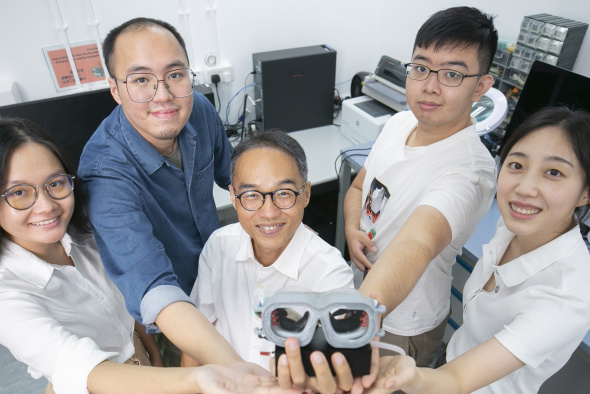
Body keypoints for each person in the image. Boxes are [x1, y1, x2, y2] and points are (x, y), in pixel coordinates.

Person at [0, 118, 286, 394]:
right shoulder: (7, 295)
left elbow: (133, 293)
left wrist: (155, 357)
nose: (46, 206)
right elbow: (88, 371)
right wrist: (200, 377)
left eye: (55, 183)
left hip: (144, 361)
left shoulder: (86, 232)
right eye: (19, 193)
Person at [366, 106, 590, 393]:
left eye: (554, 172)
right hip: (447, 366)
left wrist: (408, 377)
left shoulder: (567, 296)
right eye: (517, 165)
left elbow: (458, 380)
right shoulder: (513, 226)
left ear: (585, 192)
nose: (525, 188)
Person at [77, 17, 246, 369]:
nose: (164, 95)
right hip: (175, 311)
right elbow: (152, 285)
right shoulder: (103, 174)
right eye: (141, 80)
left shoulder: (197, 109)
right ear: (115, 89)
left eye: (175, 74)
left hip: (222, 274)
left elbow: (234, 178)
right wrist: (238, 372)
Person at [343, 6, 497, 367]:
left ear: (481, 87)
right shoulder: (399, 123)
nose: (430, 85)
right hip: (365, 295)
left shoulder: (470, 170)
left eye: (452, 75)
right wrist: (352, 228)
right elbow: (358, 188)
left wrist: (356, 320)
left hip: (405, 323)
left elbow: (418, 242)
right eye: (421, 67)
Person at [184, 130, 354, 370]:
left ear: (305, 194)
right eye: (252, 195)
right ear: (233, 197)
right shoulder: (218, 246)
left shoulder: (330, 273)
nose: (269, 212)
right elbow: (196, 333)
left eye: (283, 193)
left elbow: (335, 369)